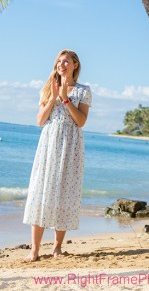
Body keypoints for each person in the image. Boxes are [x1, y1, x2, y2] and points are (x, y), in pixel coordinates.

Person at [22, 50, 91, 261]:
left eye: (66, 61)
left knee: (64, 193)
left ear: (75, 65)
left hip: (71, 145)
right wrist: (53, 97)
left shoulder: (83, 91)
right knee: (41, 191)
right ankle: (34, 250)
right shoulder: (46, 88)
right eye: (58, 62)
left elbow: (80, 122)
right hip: (49, 143)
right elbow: (40, 120)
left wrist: (65, 99)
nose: (61, 65)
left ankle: (57, 248)